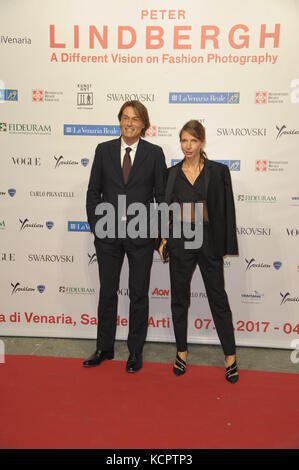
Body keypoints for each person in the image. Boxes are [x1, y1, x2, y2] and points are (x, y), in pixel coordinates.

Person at [84, 101, 167, 372]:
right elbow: (93, 191)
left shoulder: (154, 154)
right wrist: (97, 225)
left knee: (138, 293)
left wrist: (159, 233)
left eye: (135, 118)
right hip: (108, 234)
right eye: (125, 117)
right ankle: (103, 347)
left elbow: (162, 198)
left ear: (144, 124)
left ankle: (135, 352)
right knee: (107, 291)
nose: (129, 122)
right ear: (119, 120)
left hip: (141, 235)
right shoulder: (104, 150)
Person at [159, 120, 239, 383]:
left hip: (208, 241)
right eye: (184, 140)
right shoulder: (171, 173)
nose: (188, 146)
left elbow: (226, 211)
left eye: (193, 140)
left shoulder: (218, 172)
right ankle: (181, 352)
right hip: (181, 242)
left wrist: (225, 244)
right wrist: (163, 238)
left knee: (218, 298)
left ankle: (230, 356)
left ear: (202, 142)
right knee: (179, 298)